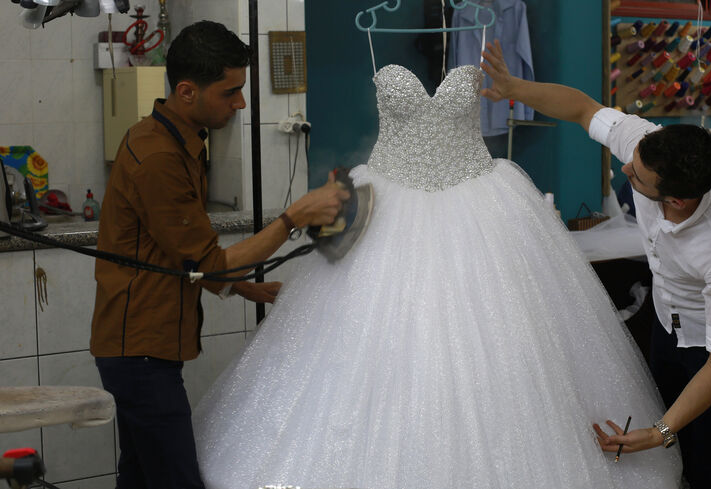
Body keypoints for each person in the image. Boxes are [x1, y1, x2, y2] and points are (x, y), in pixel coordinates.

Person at [193, 34, 681, 489]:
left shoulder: (484, 18)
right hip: (381, 196)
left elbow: (580, 109)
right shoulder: (372, 27)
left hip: (480, 198)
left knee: (508, 339)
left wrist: (512, 86)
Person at [480, 40, 711, 489]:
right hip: (666, 315)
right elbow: (581, 108)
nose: (624, 173)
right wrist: (515, 86)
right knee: (665, 433)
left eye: (635, 177)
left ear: (675, 198)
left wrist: (662, 432)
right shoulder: (647, 146)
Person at [90, 21, 348, 489]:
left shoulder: (179, 141)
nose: (241, 104)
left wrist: (248, 287)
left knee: (141, 478)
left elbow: (178, 256)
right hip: (140, 354)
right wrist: (294, 217)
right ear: (187, 91)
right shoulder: (160, 157)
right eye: (231, 92)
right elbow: (204, 263)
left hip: (138, 351)